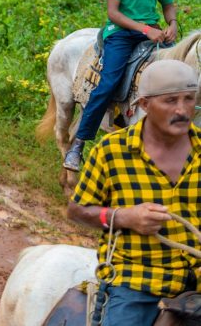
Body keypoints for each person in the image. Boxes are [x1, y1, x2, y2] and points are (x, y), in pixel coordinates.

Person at [67, 60, 200, 326]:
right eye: (170, 100)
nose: (182, 110)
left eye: (189, 99)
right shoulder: (111, 152)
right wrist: (125, 217)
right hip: (139, 280)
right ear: (144, 105)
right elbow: (77, 211)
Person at [64, 0, 177, 171]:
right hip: (122, 34)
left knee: (181, 74)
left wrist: (172, 23)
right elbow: (113, 14)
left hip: (151, 33)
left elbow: (167, 4)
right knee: (108, 84)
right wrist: (145, 30)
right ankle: (79, 144)